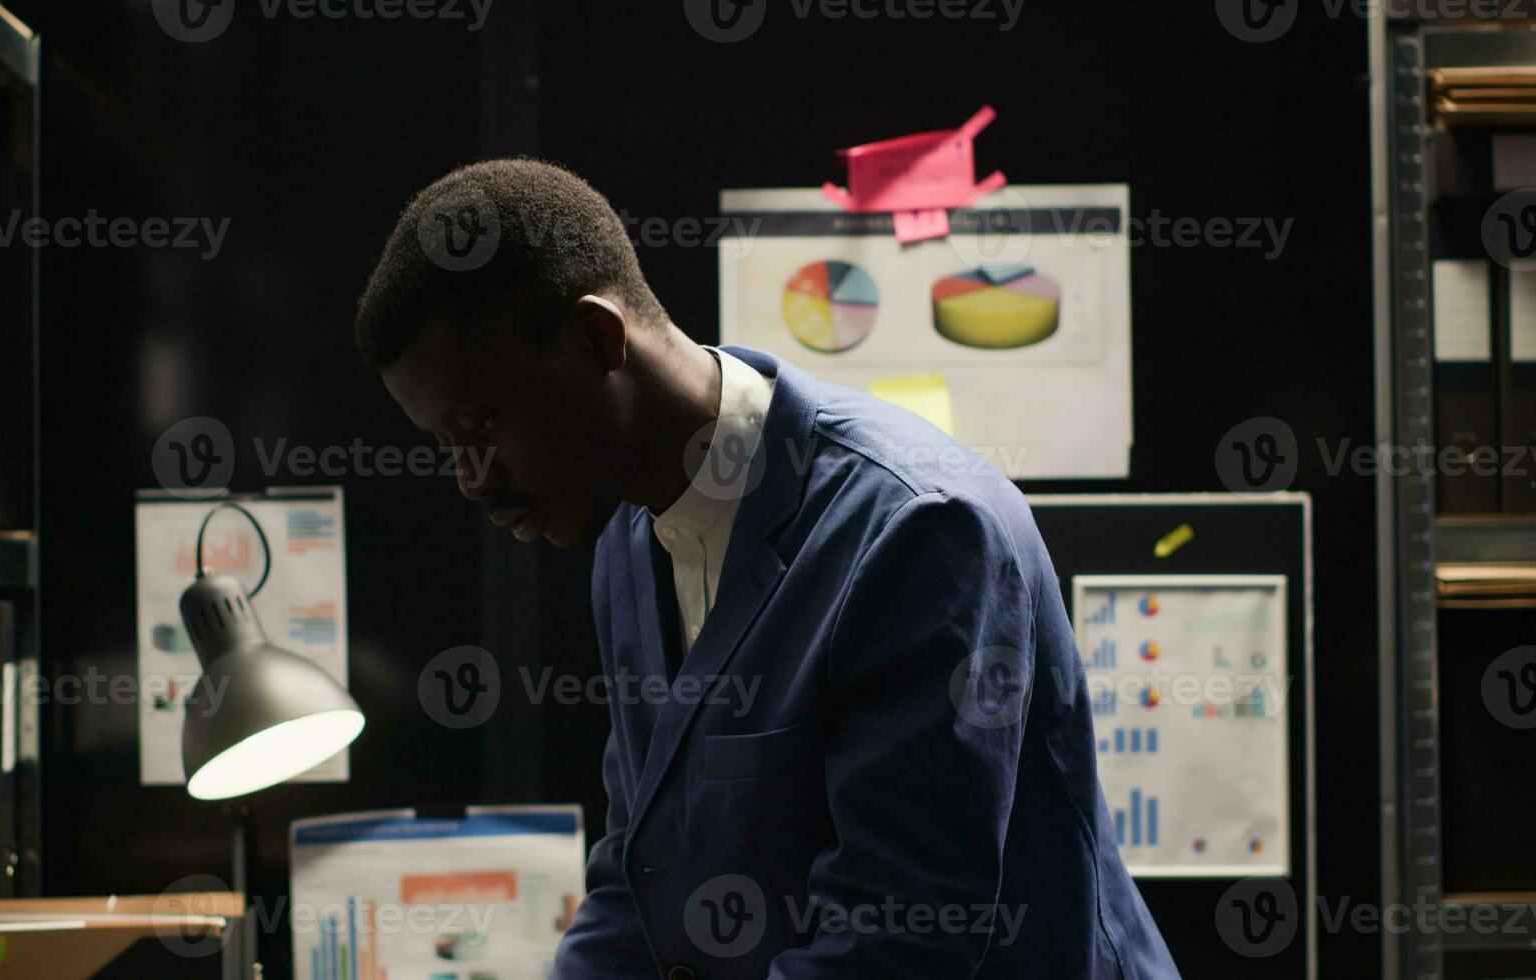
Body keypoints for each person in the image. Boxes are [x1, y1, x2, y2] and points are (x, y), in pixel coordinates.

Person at [357, 158, 1180, 978]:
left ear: (596, 338)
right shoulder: (627, 536)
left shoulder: (917, 530)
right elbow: (636, 874)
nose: (473, 480)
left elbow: (897, 945)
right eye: (445, 447)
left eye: (480, 426)